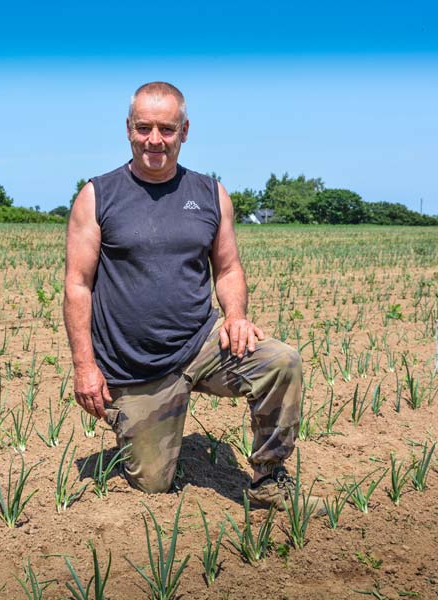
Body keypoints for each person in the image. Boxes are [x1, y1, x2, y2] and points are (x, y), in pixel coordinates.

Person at [63, 81, 316, 510]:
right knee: (154, 485)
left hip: (202, 343)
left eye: (167, 128)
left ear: (185, 130)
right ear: (128, 128)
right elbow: (77, 285)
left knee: (281, 362)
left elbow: (229, 267)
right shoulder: (97, 196)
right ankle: (137, 421)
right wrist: (85, 367)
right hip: (135, 364)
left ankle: (271, 478)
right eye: (144, 128)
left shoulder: (210, 193)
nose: (155, 140)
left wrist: (235, 314)